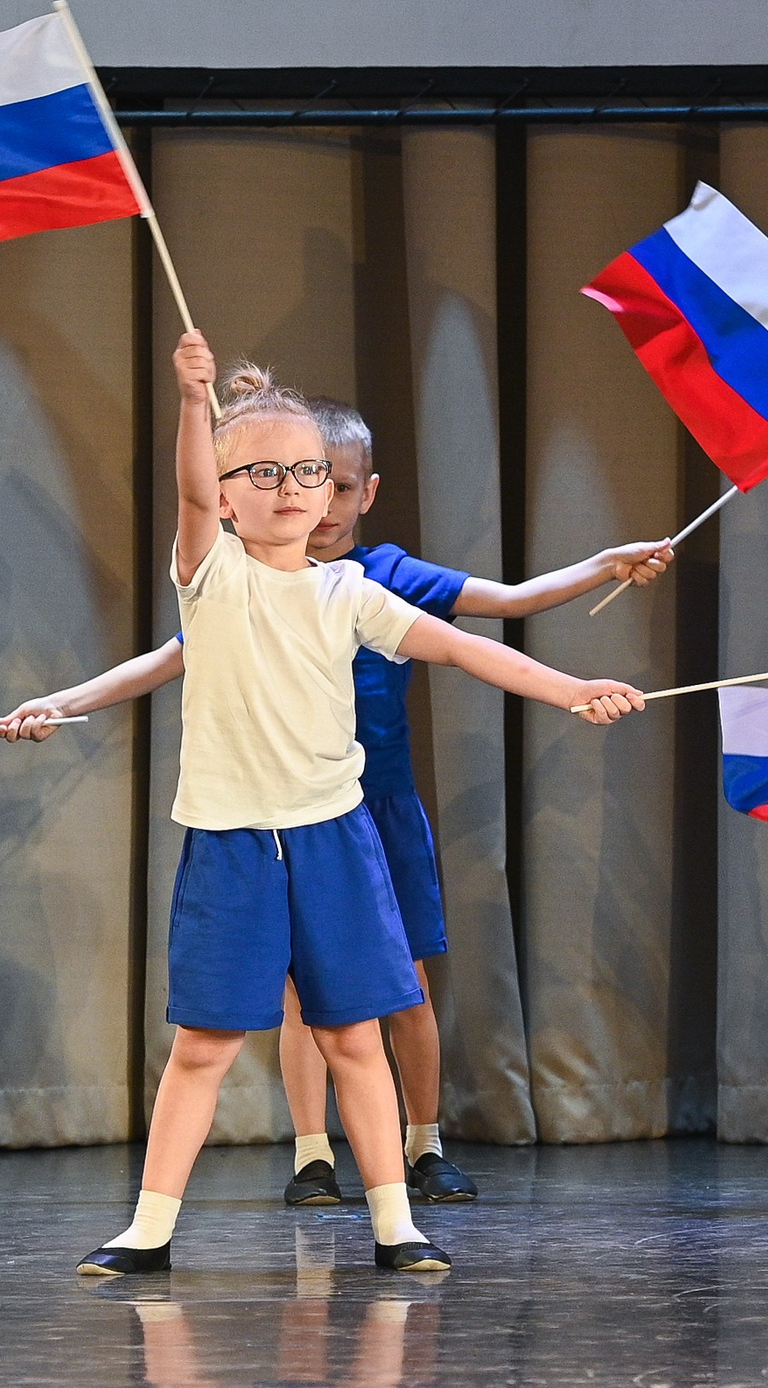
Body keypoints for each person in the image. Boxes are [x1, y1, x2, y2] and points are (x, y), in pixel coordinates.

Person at [74, 331, 645, 1277]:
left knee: (352, 1036)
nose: (293, 485)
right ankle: (148, 1227)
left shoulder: (352, 589)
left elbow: (467, 647)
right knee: (206, 1045)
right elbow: (183, 494)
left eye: (309, 469)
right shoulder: (211, 578)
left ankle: (395, 1222)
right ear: (224, 495)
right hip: (232, 844)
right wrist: (191, 402)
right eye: (262, 471)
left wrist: (569, 687)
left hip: (337, 838)